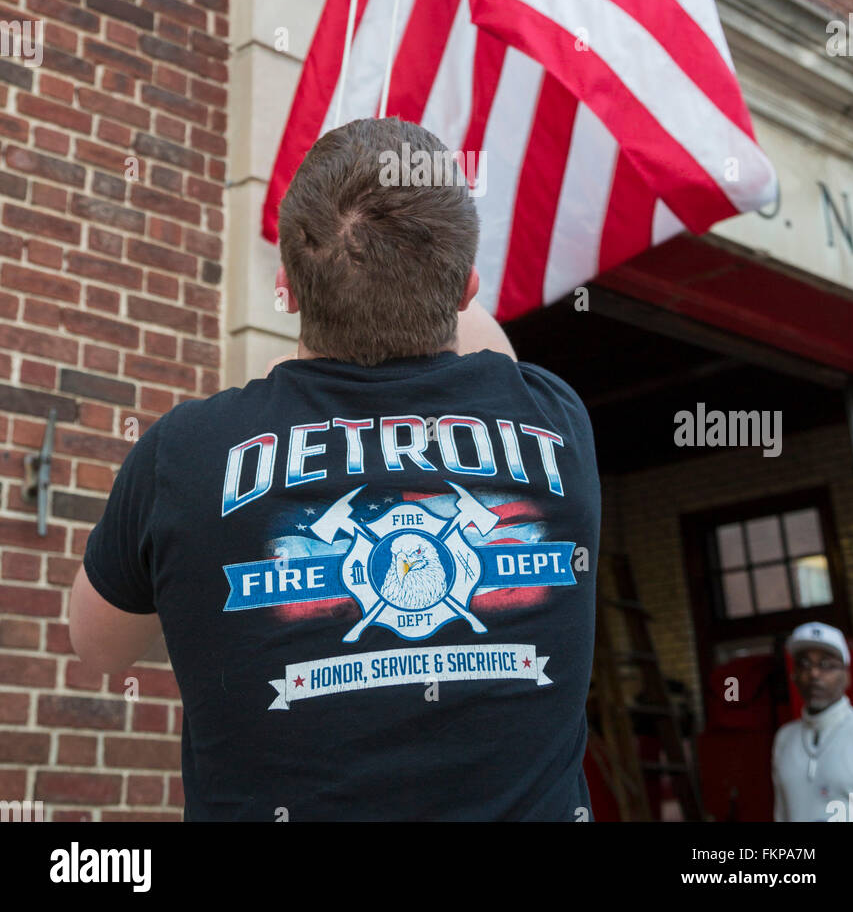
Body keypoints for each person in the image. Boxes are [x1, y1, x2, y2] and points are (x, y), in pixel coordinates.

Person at [69, 116, 601, 822]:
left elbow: (97, 648)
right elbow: (479, 349)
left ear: (284, 286)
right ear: (470, 284)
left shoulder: (184, 453)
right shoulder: (556, 423)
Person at [772, 621, 853, 821]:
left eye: (826, 665)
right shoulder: (784, 738)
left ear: (846, 676)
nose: (814, 674)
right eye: (804, 664)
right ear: (794, 675)